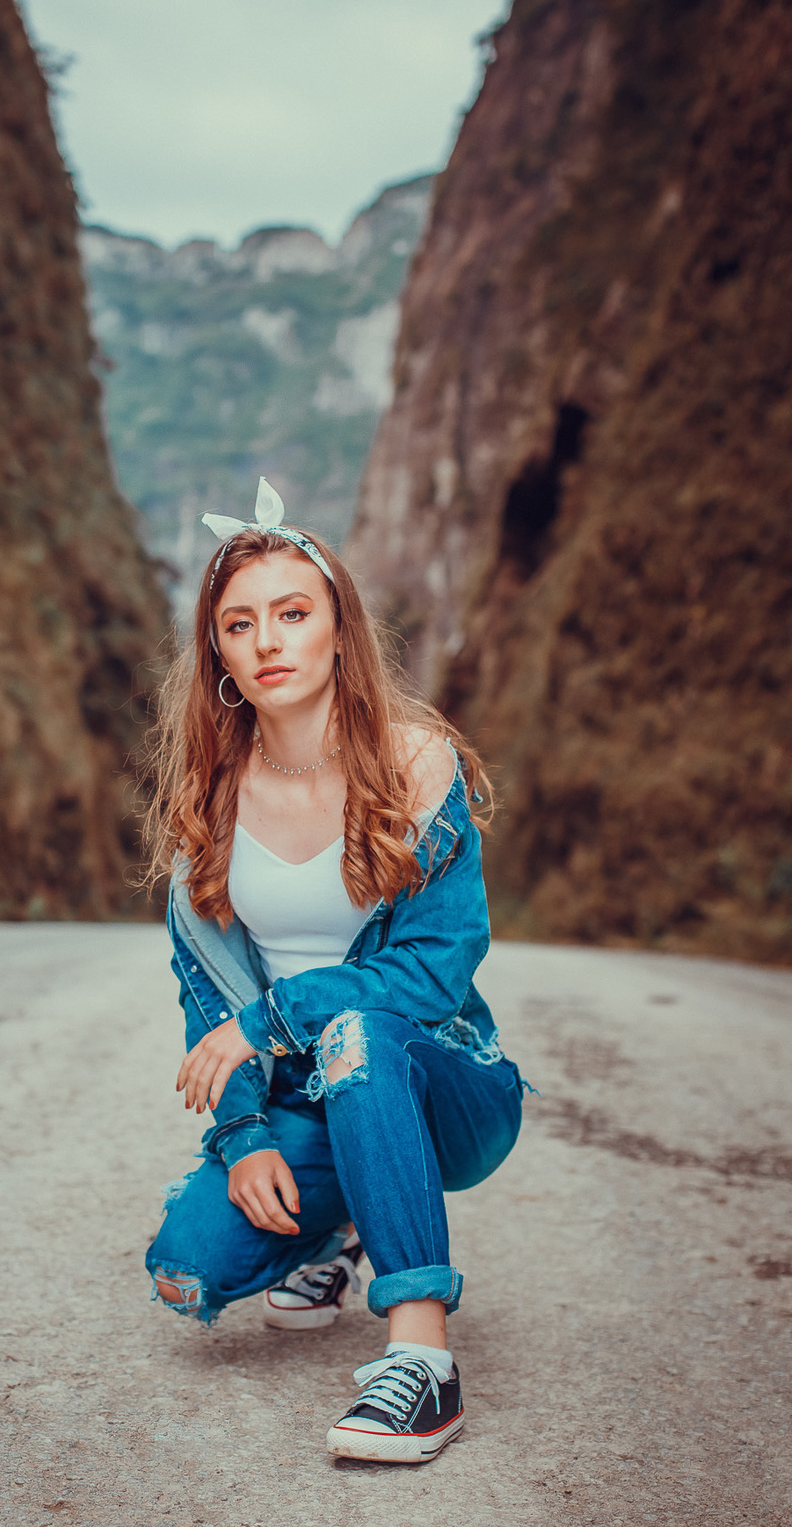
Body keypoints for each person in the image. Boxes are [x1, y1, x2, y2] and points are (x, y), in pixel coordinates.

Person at [142, 479, 526, 1463]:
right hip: (305, 1102)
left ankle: (422, 1360)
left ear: (338, 631)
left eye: (292, 613)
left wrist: (273, 1019)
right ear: (220, 655)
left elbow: (432, 973)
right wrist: (245, 1135)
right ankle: (339, 1221)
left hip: (442, 1082)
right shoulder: (211, 809)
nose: (267, 639)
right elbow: (206, 1003)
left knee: (357, 1034)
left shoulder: (416, 768)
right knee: (187, 1267)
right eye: (239, 624)